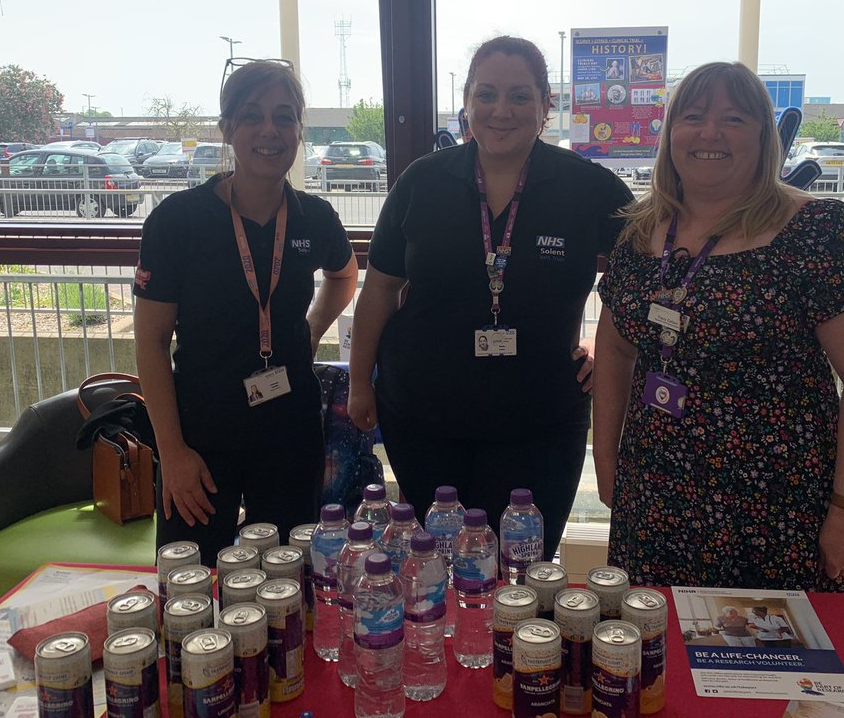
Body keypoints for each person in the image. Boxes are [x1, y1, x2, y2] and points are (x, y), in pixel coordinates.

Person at [593, 61, 844, 591]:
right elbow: (614, 351)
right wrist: (606, 459)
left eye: (733, 119)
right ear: (671, 135)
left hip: (778, 506)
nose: (710, 133)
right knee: (656, 657)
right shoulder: (638, 233)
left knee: (777, 664)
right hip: (655, 496)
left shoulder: (819, 229)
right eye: (692, 117)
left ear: (763, 135)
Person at [347, 35, 634, 559]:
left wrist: (602, 344)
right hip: (422, 413)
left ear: (547, 106)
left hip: (540, 418)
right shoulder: (422, 182)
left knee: (523, 572)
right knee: (437, 565)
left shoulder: (588, 188)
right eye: (487, 95)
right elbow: (380, 289)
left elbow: (639, 282)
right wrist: (360, 384)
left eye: (520, 96)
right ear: (467, 105)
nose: (502, 111)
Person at [134, 59, 359, 565]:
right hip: (201, 433)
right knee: (190, 581)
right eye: (252, 115)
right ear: (227, 128)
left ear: (299, 131)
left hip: (288, 427)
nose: (269, 130)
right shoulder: (178, 222)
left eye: (284, 117)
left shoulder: (314, 217)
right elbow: (149, 343)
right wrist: (171, 452)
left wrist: (309, 329)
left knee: (286, 582)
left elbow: (344, 276)